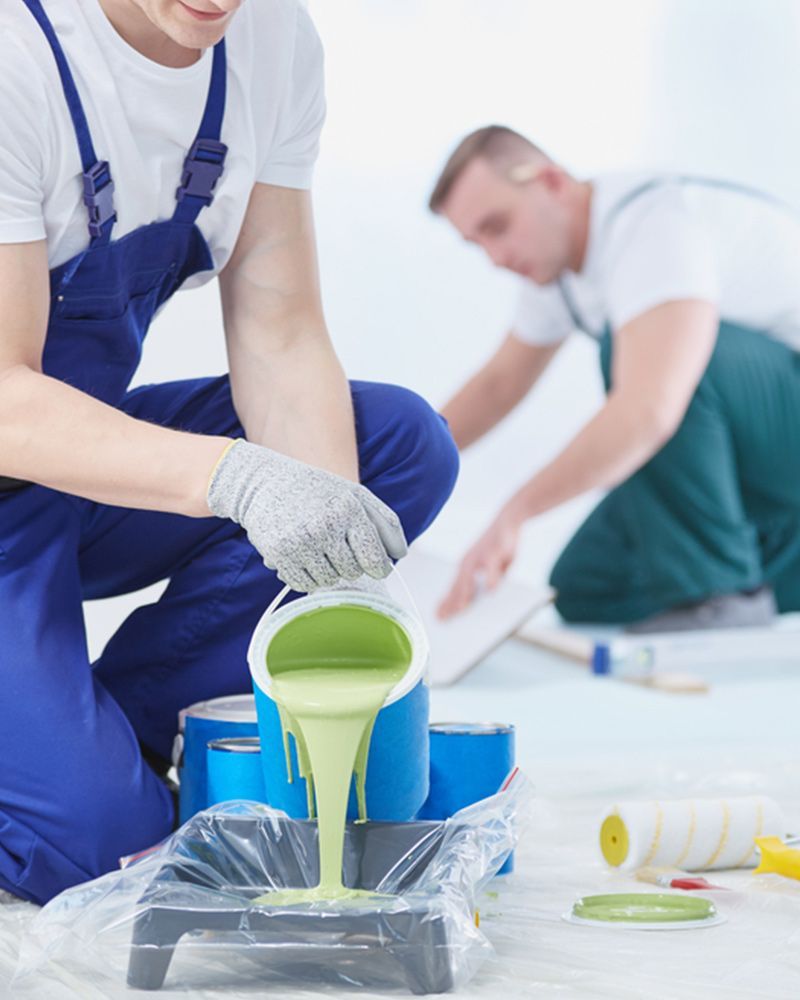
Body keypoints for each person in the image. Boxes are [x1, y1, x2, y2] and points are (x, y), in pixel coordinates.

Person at [0, 0, 458, 905]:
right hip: (17, 440)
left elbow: (282, 335)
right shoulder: (15, 61)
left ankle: (99, 742)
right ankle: (69, 781)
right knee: (100, 854)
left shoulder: (270, 41)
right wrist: (236, 477)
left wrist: (338, 585)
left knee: (396, 449)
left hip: (68, 477)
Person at [429, 125, 800, 631]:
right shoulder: (554, 271)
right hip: (756, 461)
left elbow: (649, 410)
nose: (496, 258)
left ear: (552, 184)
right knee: (586, 584)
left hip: (783, 422)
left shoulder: (653, 224)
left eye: (498, 227)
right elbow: (499, 385)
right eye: (478, 244)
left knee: (656, 358)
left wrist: (514, 514)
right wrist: (380, 480)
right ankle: (756, 572)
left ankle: (722, 593)